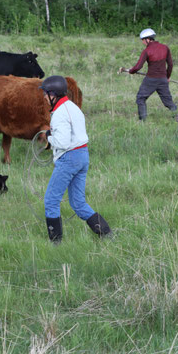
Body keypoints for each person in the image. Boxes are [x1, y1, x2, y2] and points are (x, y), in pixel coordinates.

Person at [40, 75, 112, 244]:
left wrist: (49, 138)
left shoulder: (59, 114)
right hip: (82, 156)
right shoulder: (72, 107)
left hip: (69, 158)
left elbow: (63, 142)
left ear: (53, 94)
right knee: (78, 203)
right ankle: (108, 235)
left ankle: (56, 245)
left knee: (51, 200)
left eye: (45, 93)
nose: (44, 96)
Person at [122, 28, 178, 122]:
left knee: (140, 98)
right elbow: (170, 64)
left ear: (147, 39)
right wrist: (167, 77)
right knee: (168, 102)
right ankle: (177, 120)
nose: (143, 43)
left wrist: (131, 71)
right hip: (163, 80)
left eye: (143, 40)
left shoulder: (147, 51)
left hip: (150, 80)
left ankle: (142, 121)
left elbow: (138, 67)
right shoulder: (165, 48)